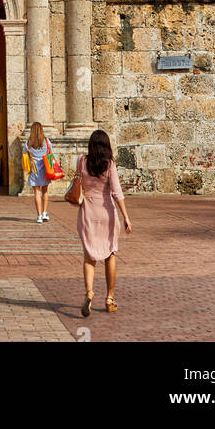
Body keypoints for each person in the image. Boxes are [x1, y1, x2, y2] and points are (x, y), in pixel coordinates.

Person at [75, 129, 132, 316]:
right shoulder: (109, 164)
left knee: (89, 257)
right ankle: (109, 298)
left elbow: (78, 184)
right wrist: (126, 216)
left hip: (88, 212)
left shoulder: (81, 161)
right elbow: (117, 192)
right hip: (107, 212)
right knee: (110, 254)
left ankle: (89, 293)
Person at [23, 121, 54, 223]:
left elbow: (24, 155)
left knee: (37, 192)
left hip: (34, 170)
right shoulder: (46, 141)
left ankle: (39, 216)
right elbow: (51, 154)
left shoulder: (28, 142)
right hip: (45, 170)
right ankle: (45, 213)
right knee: (45, 191)